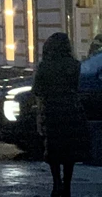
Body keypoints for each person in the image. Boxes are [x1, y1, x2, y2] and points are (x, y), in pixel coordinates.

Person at [33, 32, 89, 197]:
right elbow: (78, 88)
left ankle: (56, 183)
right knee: (69, 151)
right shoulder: (75, 65)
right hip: (72, 110)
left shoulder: (44, 66)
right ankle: (67, 185)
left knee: (54, 149)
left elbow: (38, 92)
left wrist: (39, 117)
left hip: (52, 111)